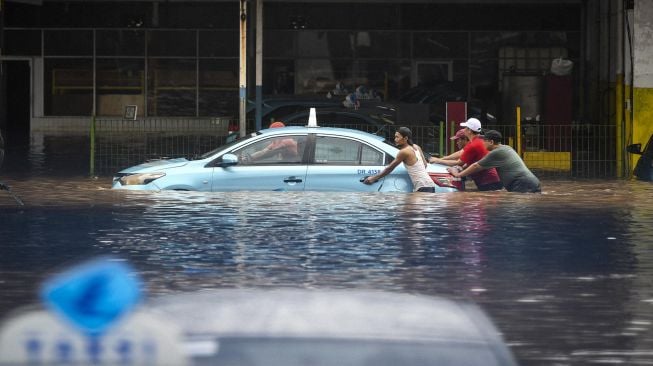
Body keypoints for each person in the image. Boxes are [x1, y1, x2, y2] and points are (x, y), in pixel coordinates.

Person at [448, 130, 541, 193]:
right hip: (530, 182)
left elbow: (476, 166)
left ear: (491, 142)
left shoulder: (496, 153)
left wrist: (458, 175)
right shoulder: (506, 148)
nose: (482, 143)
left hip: (522, 184)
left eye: (484, 141)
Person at [429, 118, 503, 191]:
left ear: (469, 131)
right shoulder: (477, 141)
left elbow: (459, 162)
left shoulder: (473, 145)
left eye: (465, 128)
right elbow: (461, 154)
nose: (464, 130)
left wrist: (438, 161)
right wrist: (441, 159)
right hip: (491, 181)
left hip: (488, 182)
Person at [364, 127, 436, 192]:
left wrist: (373, 178)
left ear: (405, 138)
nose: (395, 140)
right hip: (430, 185)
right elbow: (425, 165)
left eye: (397, 137)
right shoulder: (416, 147)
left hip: (422, 187)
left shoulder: (404, 152)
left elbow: (389, 168)